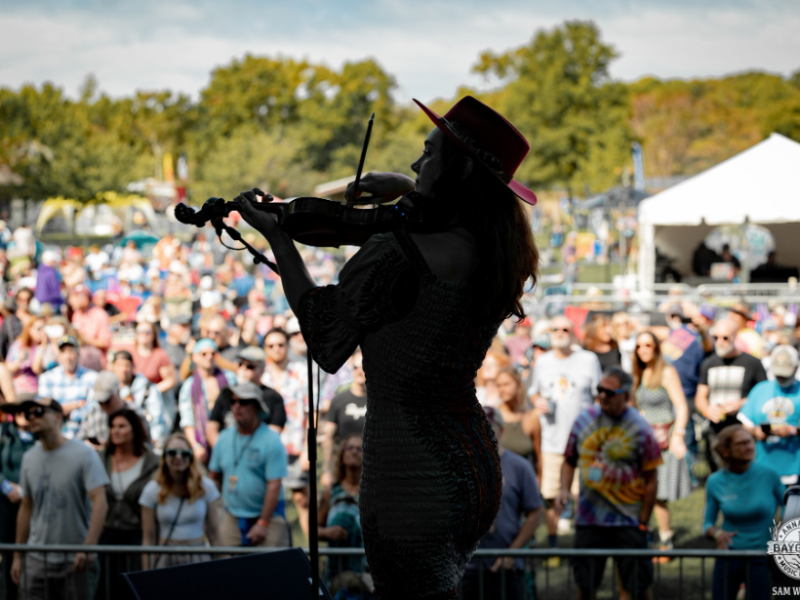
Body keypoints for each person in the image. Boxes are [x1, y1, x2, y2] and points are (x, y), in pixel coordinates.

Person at [237, 95, 539, 599]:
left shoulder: (398, 253)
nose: (417, 164)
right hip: (475, 464)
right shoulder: (497, 249)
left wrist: (279, 240)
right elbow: (441, 214)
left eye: (428, 155)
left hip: (409, 472)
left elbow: (327, 338)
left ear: (461, 170)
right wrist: (405, 188)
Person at [556, 366, 662, 600]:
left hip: (628, 520)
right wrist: (563, 489)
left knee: (637, 588)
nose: (602, 395)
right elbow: (568, 461)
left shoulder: (641, 428)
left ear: (626, 395)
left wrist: (643, 521)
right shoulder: (583, 420)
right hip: (588, 520)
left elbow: (651, 478)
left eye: (610, 392)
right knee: (585, 586)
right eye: (600, 390)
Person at [9, 396, 109, 600]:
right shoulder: (29, 458)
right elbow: (26, 507)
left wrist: (88, 548)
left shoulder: (84, 454)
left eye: (38, 412)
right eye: (28, 414)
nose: (32, 418)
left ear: (57, 417)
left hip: (75, 559)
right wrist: (18, 556)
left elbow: (100, 502)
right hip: (38, 559)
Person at [529, 315, 602, 558]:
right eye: (555, 329)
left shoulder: (588, 359)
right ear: (549, 333)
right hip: (552, 441)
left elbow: (599, 395)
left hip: (586, 443)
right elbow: (532, 393)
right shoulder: (543, 362)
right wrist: (537, 401)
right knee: (551, 496)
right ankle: (553, 547)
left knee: (584, 495)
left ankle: (583, 544)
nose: (560, 332)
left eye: (566, 328)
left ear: (574, 333)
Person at [460, 407, 541, 600]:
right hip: (467, 568)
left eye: (487, 428)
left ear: (501, 430)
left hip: (506, 567)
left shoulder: (519, 466)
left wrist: (511, 554)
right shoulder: (460, 466)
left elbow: (535, 514)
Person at [703, 425, 783, 600]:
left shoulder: (769, 475)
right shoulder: (715, 481)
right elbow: (707, 524)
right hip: (729, 556)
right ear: (725, 451)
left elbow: (789, 505)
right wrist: (717, 534)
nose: (749, 447)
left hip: (761, 556)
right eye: (741, 443)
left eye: (750, 442)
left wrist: (783, 525)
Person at [632, 331, 692, 561]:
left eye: (648, 345)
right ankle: (646, 537)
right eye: (639, 346)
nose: (643, 349)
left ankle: (666, 541)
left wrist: (678, 434)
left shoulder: (666, 372)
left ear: (656, 347)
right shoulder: (639, 373)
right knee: (643, 492)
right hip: (643, 441)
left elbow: (682, 406)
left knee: (659, 494)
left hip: (663, 442)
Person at [209, 382, 290, 547]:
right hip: (232, 515)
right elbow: (213, 478)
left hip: (269, 517)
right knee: (221, 564)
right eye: (233, 402)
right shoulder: (223, 438)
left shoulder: (272, 440)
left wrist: (263, 523)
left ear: (256, 407)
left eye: (243, 402)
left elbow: (274, 486)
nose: (237, 407)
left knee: (273, 567)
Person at [97, 409, 159, 600]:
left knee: (132, 591)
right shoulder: (100, 458)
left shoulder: (152, 462)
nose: (116, 431)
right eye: (113, 426)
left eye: (122, 426)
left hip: (136, 537)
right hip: (105, 537)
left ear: (135, 430)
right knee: (105, 591)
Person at [140, 433, 222, 568]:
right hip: (166, 556)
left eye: (184, 453)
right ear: (164, 456)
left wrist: (224, 570)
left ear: (190, 457)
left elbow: (215, 534)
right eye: (172, 453)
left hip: (197, 555)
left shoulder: (206, 486)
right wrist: (145, 575)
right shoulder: (152, 489)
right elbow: (148, 538)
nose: (178, 457)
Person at [695, 319, 767, 471]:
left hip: (743, 430)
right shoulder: (708, 363)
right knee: (719, 474)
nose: (720, 342)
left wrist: (741, 404)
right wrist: (708, 410)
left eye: (725, 337)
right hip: (716, 430)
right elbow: (700, 396)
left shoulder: (753, 363)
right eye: (716, 338)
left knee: (746, 472)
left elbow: (764, 395)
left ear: (735, 337)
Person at [260, 327, 310, 541]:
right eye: (271, 345)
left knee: (301, 499)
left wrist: (308, 447)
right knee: (270, 498)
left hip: (295, 444)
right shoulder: (261, 374)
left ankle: (309, 549)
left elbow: (311, 411)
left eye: (281, 344)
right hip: (269, 446)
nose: (277, 349)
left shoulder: (301, 371)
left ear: (288, 346)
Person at [737, 345, 800, 485]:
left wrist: (792, 430)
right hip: (763, 463)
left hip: (795, 465)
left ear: (796, 368)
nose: (782, 378)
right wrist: (755, 432)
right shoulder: (760, 389)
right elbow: (746, 424)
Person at [207, 346, 286, 447]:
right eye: (240, 364)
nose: (243, 369)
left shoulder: (273, 397)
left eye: (250, 366)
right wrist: (224, 452)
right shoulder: (227, 392)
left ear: (262, 370)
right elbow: (212, 428)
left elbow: (274, 432)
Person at [318, 434, 368, 594]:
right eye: (349, 448)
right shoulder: (331, 491)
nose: (354, 452)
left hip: (368, 573)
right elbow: (314, 530)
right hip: (336, 571)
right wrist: (329, 532)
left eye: (359, 448)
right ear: (342, 454)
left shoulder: (374, 493)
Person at [0, 393, 36, 600]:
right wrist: (7, 487)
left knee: (32, 553)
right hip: (6, 501)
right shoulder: (4, 433)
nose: (24, 414)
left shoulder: (40, 436)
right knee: (8, 551)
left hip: (32, 501)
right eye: (19, 410)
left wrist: (26, 490)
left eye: (28, 410)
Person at [178, 339, 235, 463]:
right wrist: (195, 445)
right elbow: (187, 420)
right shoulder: (189, 386)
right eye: (204, 354)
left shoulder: (230, 378)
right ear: (195, 357)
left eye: (212, 354)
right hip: (202, 443)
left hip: (230, 438)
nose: (209, 357)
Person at [37, 335, 98, 440]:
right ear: (58, 356)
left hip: (84, 434)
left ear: (78, 354)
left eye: (71, 352)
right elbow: (46, 409)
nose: (68, 357)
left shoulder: (92, 377)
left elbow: (94, 407)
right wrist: (77, 404)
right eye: (63, 352)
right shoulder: (47, 378)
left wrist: (66, 412)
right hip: (56, 434)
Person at [322, 349, 367, 488]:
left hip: (371, 467)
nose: (360, 371)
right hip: (344, 468)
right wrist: (326, 469)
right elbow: (328, 437)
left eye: (364, 366)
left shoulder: (379, 401)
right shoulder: (339, 400)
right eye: (356, 367)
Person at [112, 350, 171, 451]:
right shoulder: (109, 390)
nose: (123, 369)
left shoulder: (148, 388)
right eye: (119, 365)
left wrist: (153, 440)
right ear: (112, 367)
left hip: (143, 442)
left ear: (133, 367)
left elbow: (157, 419)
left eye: (127, 365)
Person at [77, 370, 150, 448]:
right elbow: (79, 442)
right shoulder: (93, 414)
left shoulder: (135, 414)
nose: (103, 405)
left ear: (117, 392)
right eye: (100, 401)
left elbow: (146, 447)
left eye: (106, 400)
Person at [496, 366, 541, 480]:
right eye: (499, 385)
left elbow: (538, 459)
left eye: (506, 384)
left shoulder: (531, 417)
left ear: (518, 385)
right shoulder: (494, 416)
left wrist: (537, 485)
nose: (502, 389)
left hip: (524, 483)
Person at [130, 321, 177, 401]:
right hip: (134, 397)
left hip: (155, 399)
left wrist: (151, 392)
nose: (144, 334)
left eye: (148, 331)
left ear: (153, 334)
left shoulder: (160, 354)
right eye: (140, 331)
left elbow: (170, 380)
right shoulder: (130, 352)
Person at [6, 316, 45, 395]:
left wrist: (42, 347)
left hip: (40, 388)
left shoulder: (44, 347)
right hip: (21, 388)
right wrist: (19, 360)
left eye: (43, 329)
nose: (42, 332)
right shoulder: (19, 345)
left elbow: (37, 368)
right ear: (29, 329)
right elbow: (9, 367)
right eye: (38, 329)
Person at [67, 285, 111, 354]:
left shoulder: (100, 315)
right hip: (79, 357)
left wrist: (83, 339)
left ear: (85, 300)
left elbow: (105, 343)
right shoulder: (77, 314)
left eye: (74, 297)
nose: (70, 301)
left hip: (95, 359)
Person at [0, 288, 33, 360]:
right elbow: (2, 344)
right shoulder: (9, 321)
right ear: (17, 301)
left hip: (32, 360)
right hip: (14, 360)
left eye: (28, 299)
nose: (25, 302)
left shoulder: (35, 320)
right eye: (22, 300)